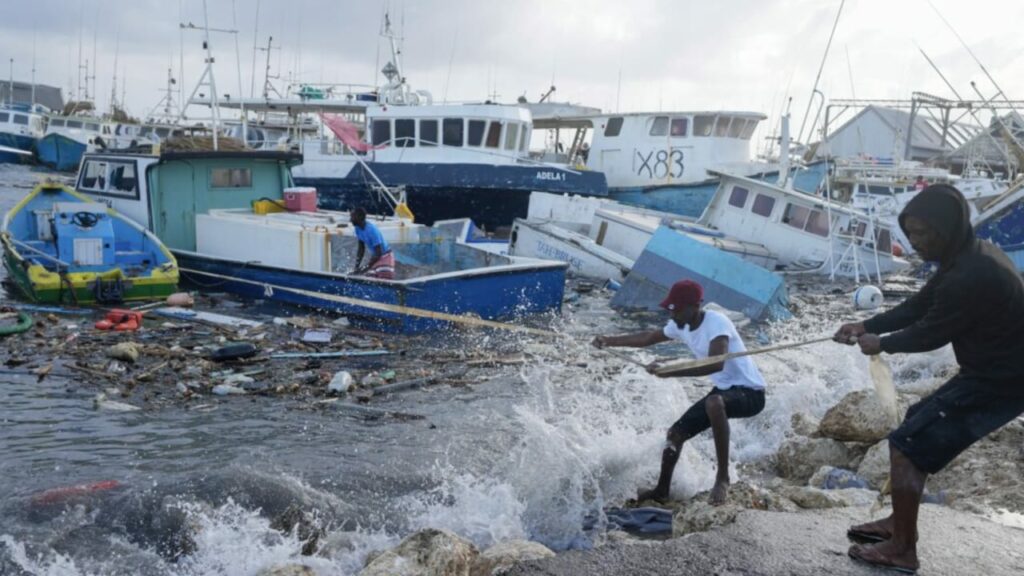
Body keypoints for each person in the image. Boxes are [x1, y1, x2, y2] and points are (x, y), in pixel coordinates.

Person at [834, 184, 1024, 574]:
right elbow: (919, 306)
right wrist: (866, 323)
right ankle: (898, 524)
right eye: (910, 233)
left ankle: (903, 548)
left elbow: (930, 333)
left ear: (947, 227)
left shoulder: (970, 274)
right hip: (996, 370)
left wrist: (879, 343)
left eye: (922, 233)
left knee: (906, 443)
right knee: (914, 424)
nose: (915, 242)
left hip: (1005, 379)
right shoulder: (967, 255)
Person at [592, 279, 767, 505]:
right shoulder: (680, 325)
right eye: (671, 310)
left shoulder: (717, 323)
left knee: (714, 403)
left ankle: (722, 478)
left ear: (696, 306)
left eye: (677, 310)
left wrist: (671, 371)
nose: (672, 316)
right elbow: (648, 338)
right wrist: (608, 340)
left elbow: (716, 364)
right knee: (675, 435)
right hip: (725, 391)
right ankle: (662, 490)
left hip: (751, 393)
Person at [350, 207, 395, 279]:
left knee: (383, 280)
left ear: (360, 217)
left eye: (352, 217)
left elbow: (379, 253)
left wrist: (365, 268)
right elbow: (361, 249)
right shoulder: (357, 228)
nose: (350, 220)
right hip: (375, 257)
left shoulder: (372, 230)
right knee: (366, 278)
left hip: (385, 257)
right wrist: (356, 267)